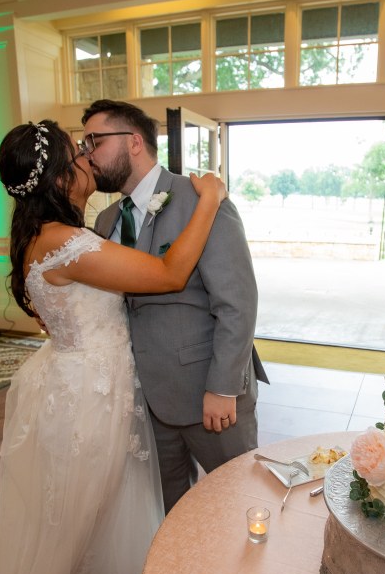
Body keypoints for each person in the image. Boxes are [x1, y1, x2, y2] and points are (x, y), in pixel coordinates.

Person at [0, 119, 227, 574]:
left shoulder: (42, 236)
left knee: (87, 503)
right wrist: (210, 198)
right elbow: (168, 273)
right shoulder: (66, 242)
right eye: (79, 156)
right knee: (68, 512)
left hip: (80, 379)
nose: (90, 160)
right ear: (61, 178)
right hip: (88, 395)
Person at [81, 99, 268, 514]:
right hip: (144, 400)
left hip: (207, 395)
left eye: (94, 141)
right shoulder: (106, 220)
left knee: (237, 503)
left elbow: (237, 301)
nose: (87, 154)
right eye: (84, 144)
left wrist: (223, 387)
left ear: (133, 142)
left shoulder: (200, 201)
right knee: (172, 512)